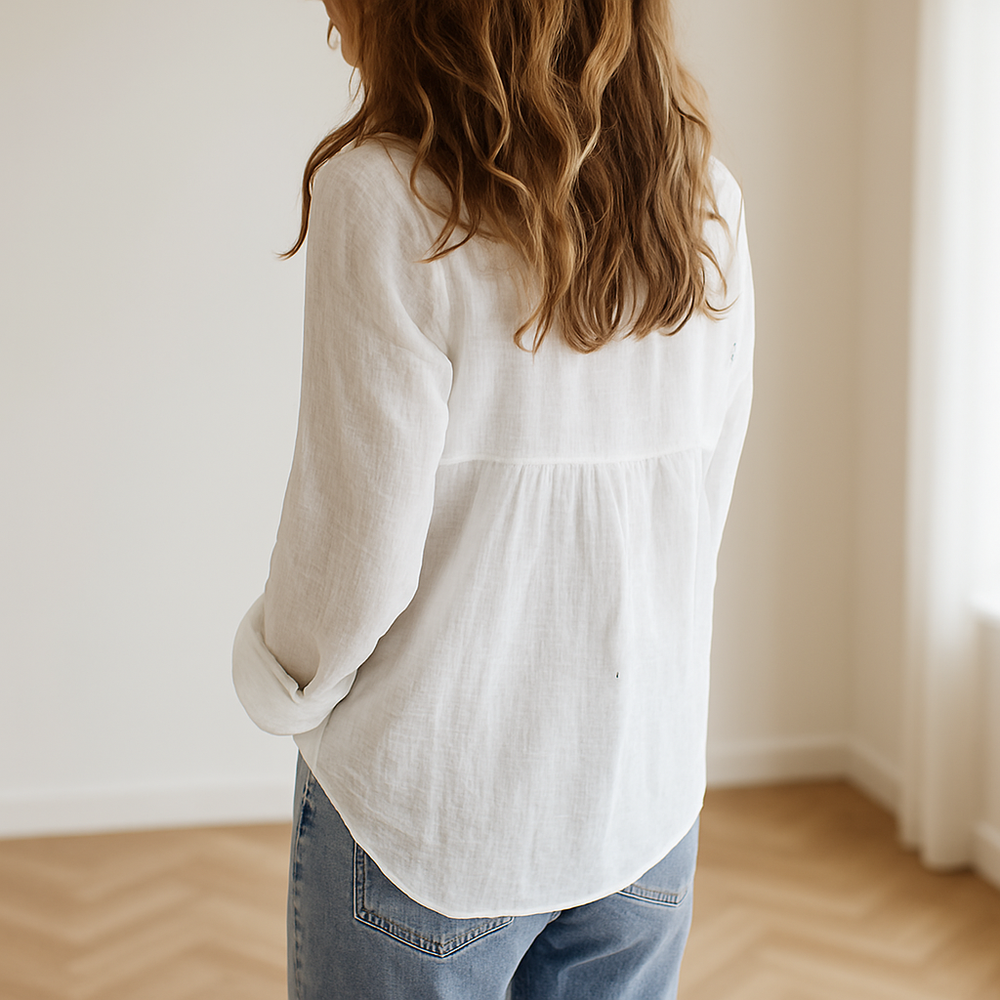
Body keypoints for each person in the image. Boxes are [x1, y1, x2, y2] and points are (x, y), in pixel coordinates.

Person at [233, 0, 753, 996]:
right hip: (637, 802)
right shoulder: (707, 204)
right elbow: (700, 510)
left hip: (433, 818)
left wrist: (275, 674)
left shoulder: (383, 199)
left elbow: (352, 558)